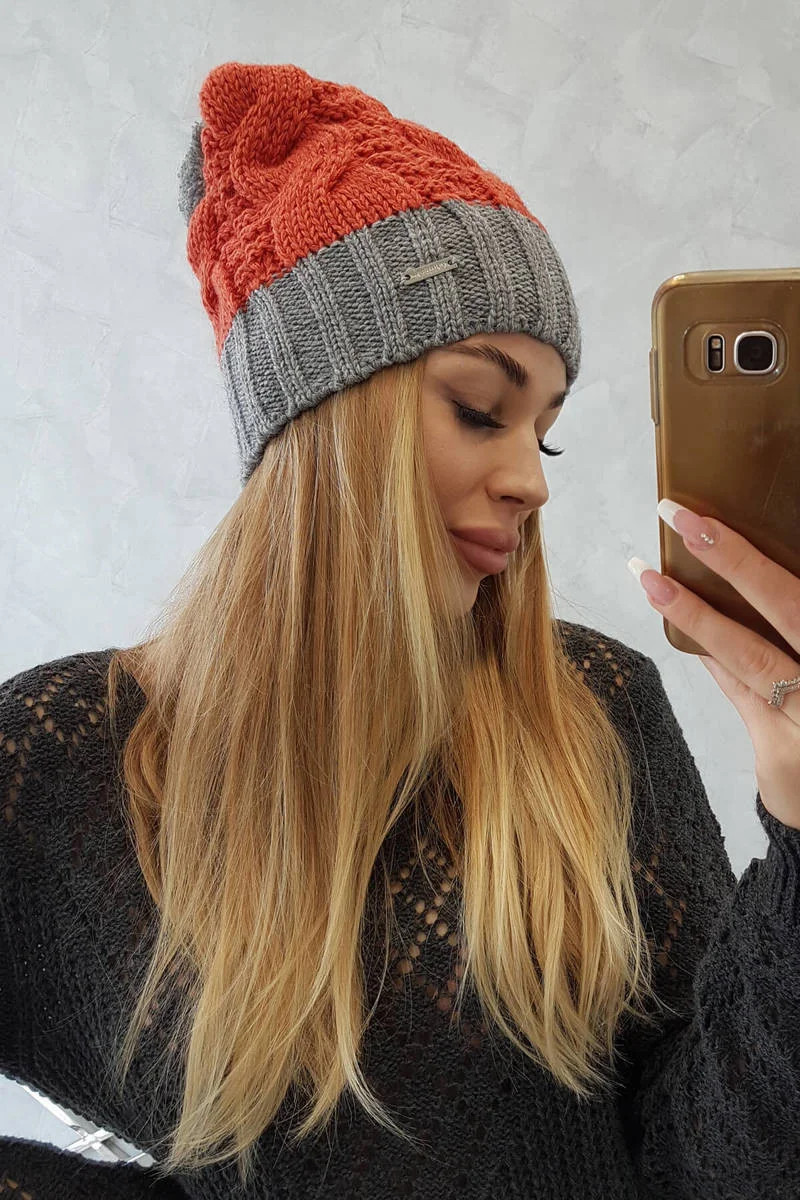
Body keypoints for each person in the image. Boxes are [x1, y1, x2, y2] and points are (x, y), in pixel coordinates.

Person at [1, 60, 799, 1200]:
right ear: (322, 418)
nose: (531, 479)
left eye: (544, 432)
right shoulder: (56, 761)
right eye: (479, 409)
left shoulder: (599, 709)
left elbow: (706, 1165)